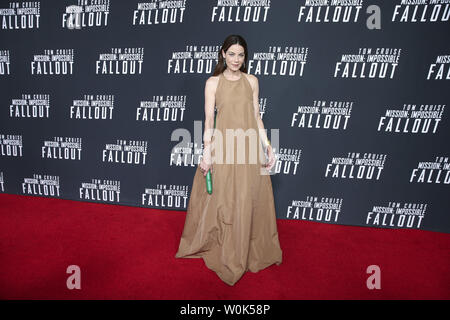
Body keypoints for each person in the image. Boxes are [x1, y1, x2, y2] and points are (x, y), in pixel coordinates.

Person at [175, 35, 282, 286]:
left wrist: (268, 146)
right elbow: (209, 122)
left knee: (247, 199)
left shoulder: (252, 81)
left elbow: (256, 117)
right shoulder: (213, 83)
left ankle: (245, 247)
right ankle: (224, 246)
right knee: (223, 200)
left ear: (245, 57)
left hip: (247, 149)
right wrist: (206, 152)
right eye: (231, 54)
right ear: (222, 54)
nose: (236, 59)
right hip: (223, 148)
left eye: (240, 55)